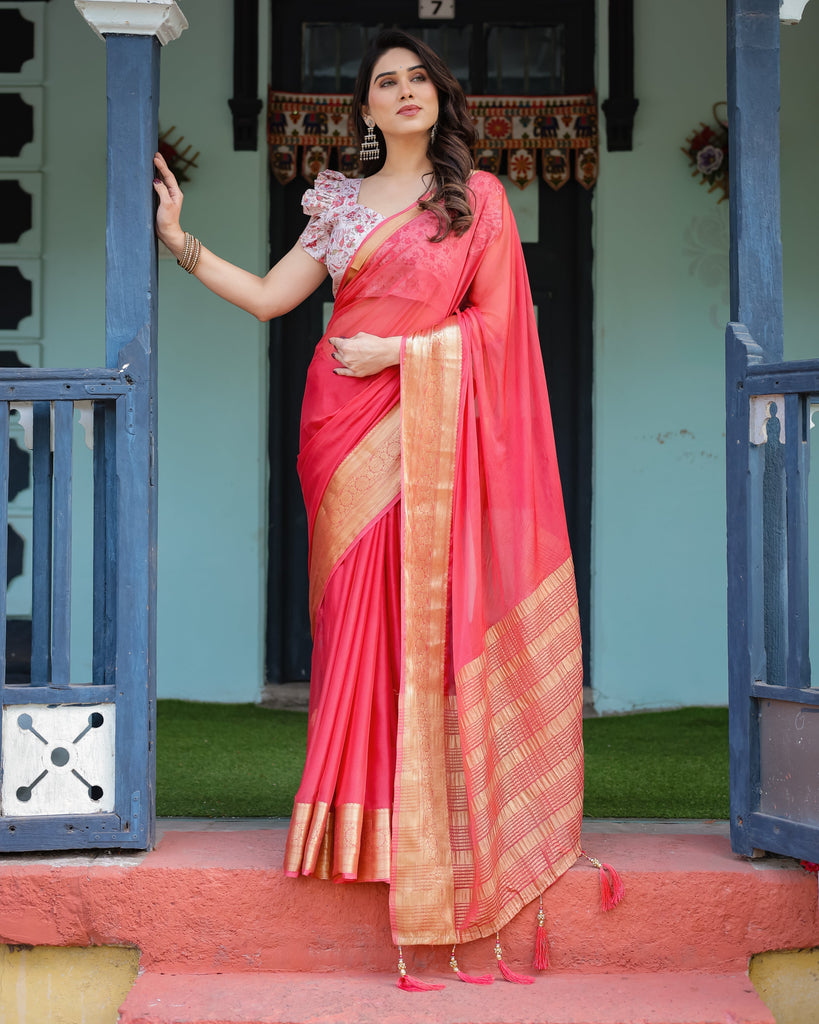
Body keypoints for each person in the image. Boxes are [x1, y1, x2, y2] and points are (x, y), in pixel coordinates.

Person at [154, 28, 617, 985]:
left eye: (417, 79)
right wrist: (179, 241)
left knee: (422, 623)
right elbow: (275, 298)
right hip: (341, 427)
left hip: (422, 419)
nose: (403, 92)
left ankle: (425, 824)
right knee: (358, 622)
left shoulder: (476, 201)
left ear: (440, 99)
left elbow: (497, 329)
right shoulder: (333, 201)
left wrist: (406, 355)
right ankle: (349, 822)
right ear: (363, 109)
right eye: (383, 82)